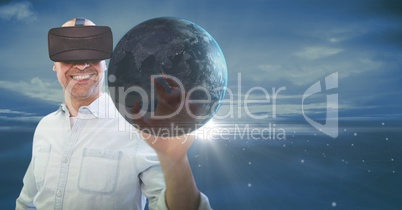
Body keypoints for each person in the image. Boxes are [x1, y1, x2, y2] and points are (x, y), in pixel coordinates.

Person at [16, 17, 212, 210]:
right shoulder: (45, 127)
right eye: (70, 56)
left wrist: (176, 162)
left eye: (91, 55)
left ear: (105, 63)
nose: (82, 65)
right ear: (54, 65)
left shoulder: (136, 127)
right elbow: (27, 202)